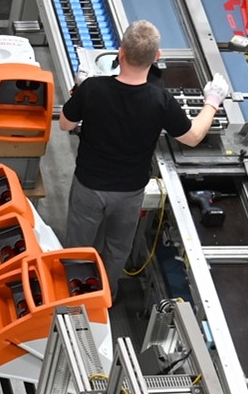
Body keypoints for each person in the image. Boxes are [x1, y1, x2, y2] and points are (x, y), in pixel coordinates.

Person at [60, 19, 228, 288]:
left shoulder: (93, 89)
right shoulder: (161, 101)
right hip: (129, 193)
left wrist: (79, 92)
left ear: (120, 53)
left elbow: (65, 124)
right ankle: (105, 297)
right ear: (156, 57)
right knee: (117, 250)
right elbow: (194, 136)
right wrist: (212, 102)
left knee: (77, 247)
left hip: (88, 187)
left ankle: (74, 293)